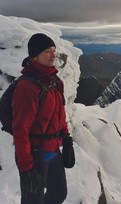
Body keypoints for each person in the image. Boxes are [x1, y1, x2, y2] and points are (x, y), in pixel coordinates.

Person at [13, 33, 70, 204]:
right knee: (32, 200)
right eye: (47, 51)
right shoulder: (27, 86)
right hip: (34, 152)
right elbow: (20, 129)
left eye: (54, 50)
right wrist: (26, 167)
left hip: (52, 151)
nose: (53, 55)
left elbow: (60, 114)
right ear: (34, 55)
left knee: (59, 193)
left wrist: (66, 139)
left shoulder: (55, 82)